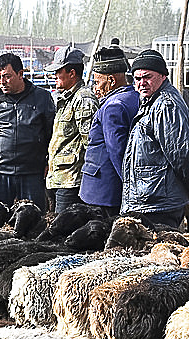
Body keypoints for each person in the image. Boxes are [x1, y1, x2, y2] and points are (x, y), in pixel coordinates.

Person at [120, 49, 189, 229]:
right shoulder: (151, 101)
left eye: (147, 77)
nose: (142, 83)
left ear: (163, 76)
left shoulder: (166, 105)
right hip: (151, 197)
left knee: (158, 252)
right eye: (137, 79)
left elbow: (181, 153)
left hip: (158, 202)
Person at [0, 53, 55, 211]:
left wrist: (49, 163)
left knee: (34, 220)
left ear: (20, 74)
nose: (2, 82)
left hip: (32, 172)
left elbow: (51, 134)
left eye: (7, 76)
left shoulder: (42, 98)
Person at [78, 45, 138, 216]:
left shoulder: (114, 106)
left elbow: (117, 150)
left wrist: (129, 186)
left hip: (103, 192)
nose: (95, 88)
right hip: (107, 190)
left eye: (97, 82)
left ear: (111, 81)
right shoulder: (133, 97)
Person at [44, 45, 99, 212]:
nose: (55, 76)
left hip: (72, 181)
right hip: (60, 178)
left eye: (58, 72)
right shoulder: (67, 98)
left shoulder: (83, 100)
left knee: (63, 231)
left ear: (72, 73)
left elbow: (90, 143)